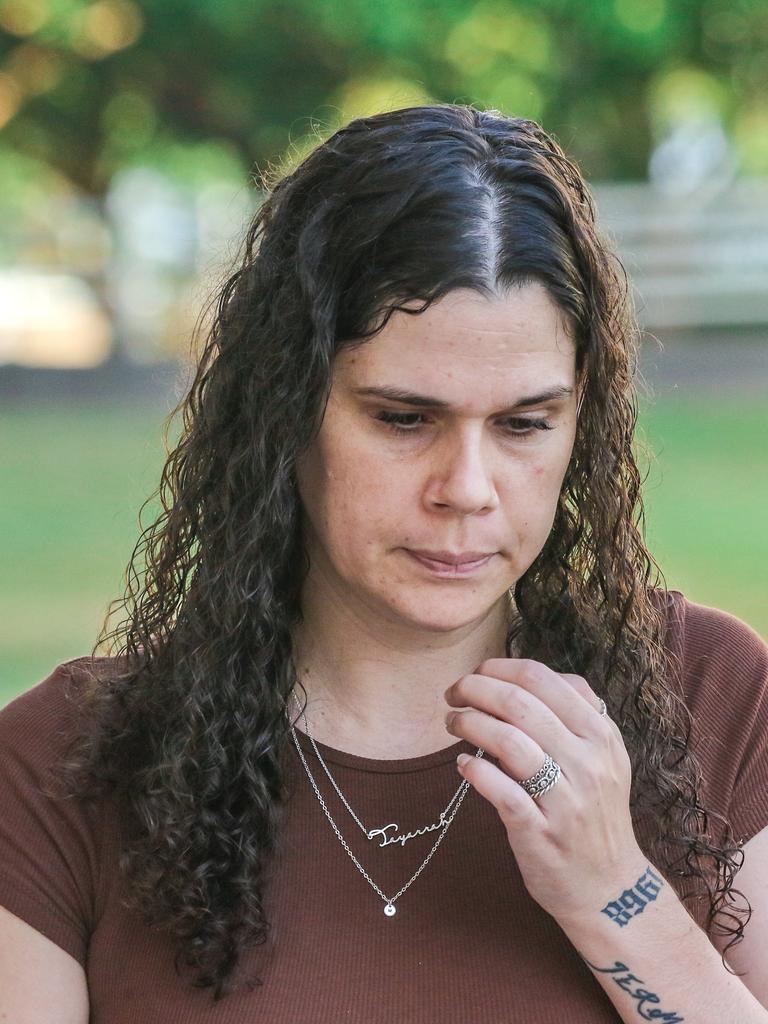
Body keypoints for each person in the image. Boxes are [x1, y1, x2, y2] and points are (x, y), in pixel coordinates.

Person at [1, 103, 767, 1024]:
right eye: (404, 420)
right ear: (283, 412)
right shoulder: (60, 766)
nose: (468, 488)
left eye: (526, 424)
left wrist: (613, 890)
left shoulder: (713, 695)